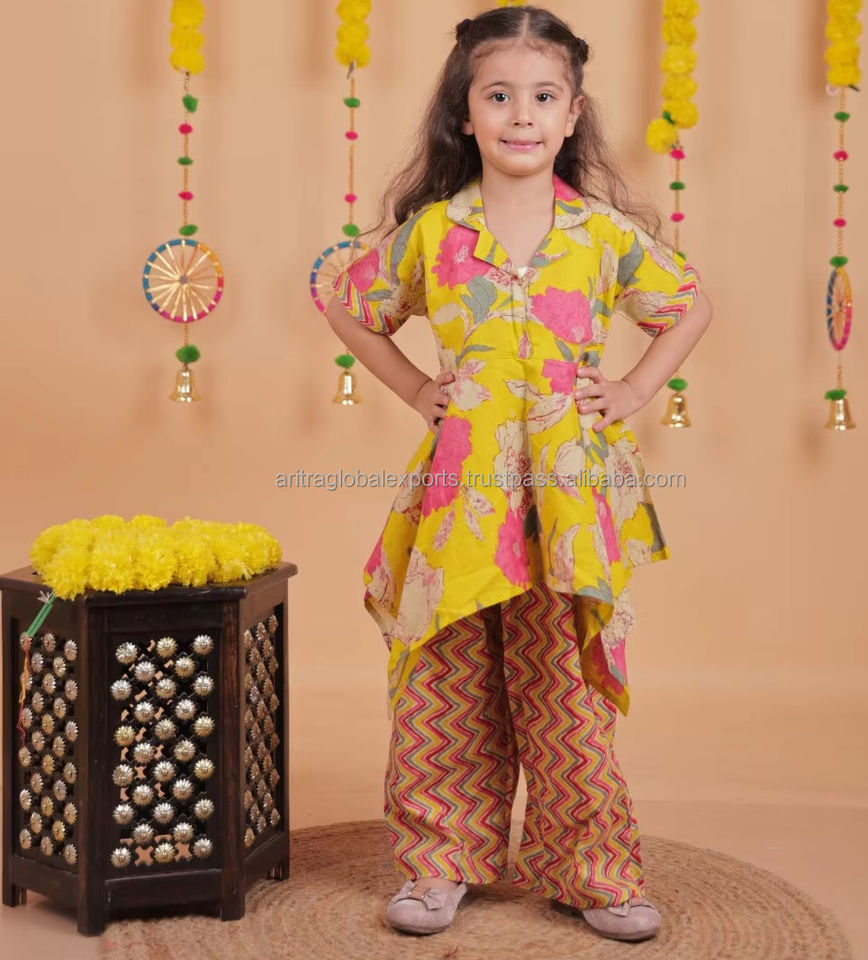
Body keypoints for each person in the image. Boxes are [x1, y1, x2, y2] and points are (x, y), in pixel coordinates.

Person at [326, 3, 712, 943]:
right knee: (445, 678)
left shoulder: (601, 234)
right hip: (461, 498)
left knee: (564, 690)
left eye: (543, 97)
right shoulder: (434, 233)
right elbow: (347, 302)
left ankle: (594, 870)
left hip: (567, 501)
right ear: (464, 115)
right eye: (498, 97)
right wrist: (418, 387)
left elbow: (689, 306)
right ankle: (437, 863)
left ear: (573, 115)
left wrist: (633, 387)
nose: (521, 115)